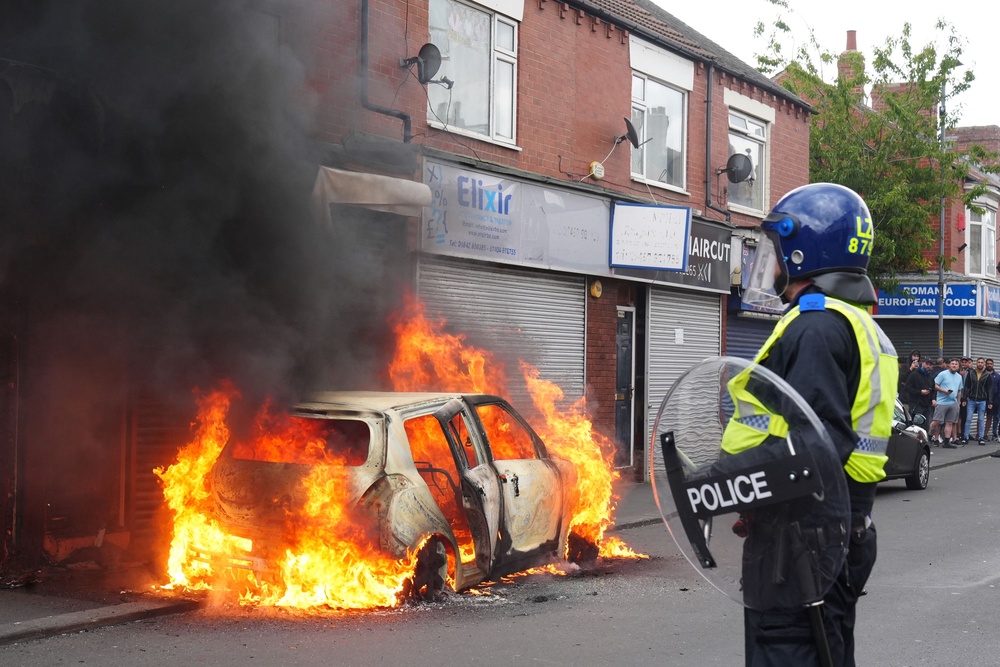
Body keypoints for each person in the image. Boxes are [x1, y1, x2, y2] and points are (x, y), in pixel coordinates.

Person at [733, 183, 896, 666]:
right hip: (835, 530)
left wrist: (724, 482)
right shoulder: (857, 323)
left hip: (799, 542)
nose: (774, 262)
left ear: (805, 249)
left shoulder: (817, 326)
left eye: (778, 249)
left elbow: (816, 444)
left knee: (789, 653)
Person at [930, 359, 963, 449]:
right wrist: (944, 391)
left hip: (953, 402)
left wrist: (958, 401)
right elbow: (935, 385)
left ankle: (947, 442)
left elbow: (959, 390)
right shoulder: (943, 374)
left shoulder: (959, 377)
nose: (954, 365)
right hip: (942, 402)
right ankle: (930, 437)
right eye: (952, 364)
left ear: (958, 366)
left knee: (949, 422)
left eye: (956, 364)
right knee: (936, 421)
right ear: (949, 365)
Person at [961, 357, 991, 445]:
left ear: (984, 364)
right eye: (979, 362)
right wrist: (964, 398)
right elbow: (966, 386)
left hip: (982, 400)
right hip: (971, 399)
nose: (980, 364)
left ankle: (981, 437)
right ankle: (965, 437)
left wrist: (990, 402)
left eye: (982, 362)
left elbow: (989, 389)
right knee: (968, 419)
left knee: (981, 419)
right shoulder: (971, 373)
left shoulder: (987, 375)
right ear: (976, 363)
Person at [904, 357, 935, 426]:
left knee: (926, 426)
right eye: (927, 364)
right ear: (923, 363)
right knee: (916, 426)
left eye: (930, 365)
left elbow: (933, 390)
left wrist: (933, 399)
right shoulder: (914, 374)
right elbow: (907, 388)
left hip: (927, 405)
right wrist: (920, 392)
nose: (928, 366)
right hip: (916, 404)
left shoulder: (930, 377)